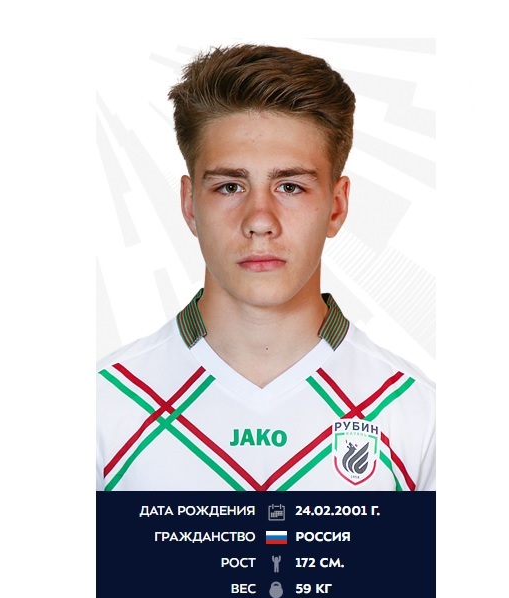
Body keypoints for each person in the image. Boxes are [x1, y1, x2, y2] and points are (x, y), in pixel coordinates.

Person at [97, 43, 435, 491]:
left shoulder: (419, 415)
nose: (259, 220)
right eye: (230, 186)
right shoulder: (103, 407)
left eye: (290, 187)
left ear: (336, 207)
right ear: (190, 205)